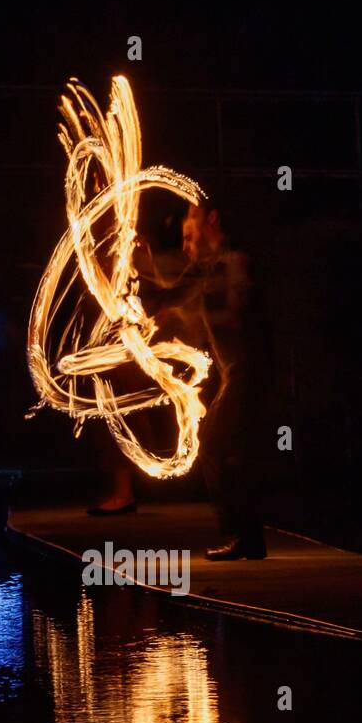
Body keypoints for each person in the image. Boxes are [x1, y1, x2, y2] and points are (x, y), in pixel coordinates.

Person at [143, 197, 271, 559]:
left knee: (214, 444)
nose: (185, 245)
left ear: (211, 220)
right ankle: (248, 538)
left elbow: (192, 293)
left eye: (189, 234)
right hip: (240, 375)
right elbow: (171, 295)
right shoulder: (212, 268)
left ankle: (244, 536)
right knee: (226, 451)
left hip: (249, 373)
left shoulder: (232, 263)